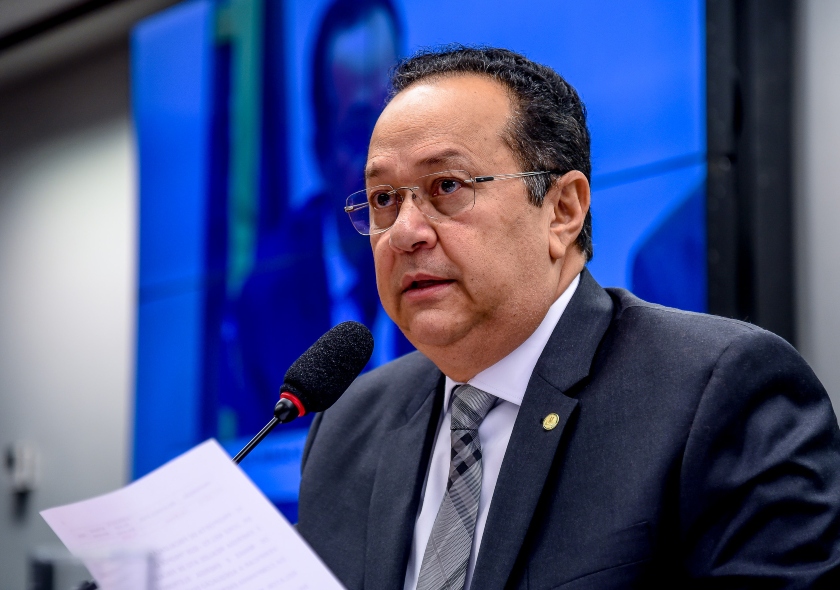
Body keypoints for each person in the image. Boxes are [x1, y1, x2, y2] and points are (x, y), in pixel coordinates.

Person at [296, 46, 840, 589]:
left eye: (447, 186)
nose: (405, 232)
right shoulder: (347, 428)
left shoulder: (719, 393)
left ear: (563, 210)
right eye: (383, 199)